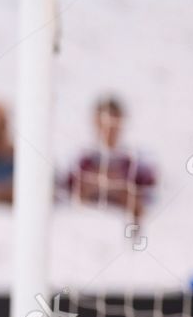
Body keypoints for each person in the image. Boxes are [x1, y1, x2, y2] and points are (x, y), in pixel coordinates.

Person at [61, 95, 157, 223]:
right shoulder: (83, 162)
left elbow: (146, 196)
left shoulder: (133, 162)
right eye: (103, 123)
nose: (108, 130)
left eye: (113, 124)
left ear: (121, 123)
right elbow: (70, 194)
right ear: (95, 122)